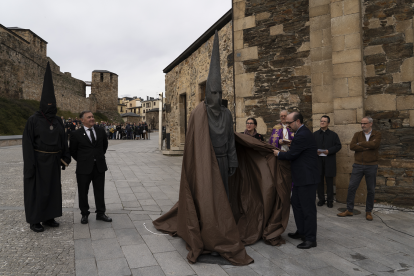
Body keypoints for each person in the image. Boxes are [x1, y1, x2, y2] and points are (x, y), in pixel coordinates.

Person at [153, 31, 253, 265]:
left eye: (220, 93)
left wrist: (233, 161)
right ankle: (206, 228)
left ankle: (222, 227)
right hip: (205, 163)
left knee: (223, 197)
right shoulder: (199, 112)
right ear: (207, 93)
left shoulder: (227, 114)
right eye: (213, 92)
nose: (217, 96)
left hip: (223, 160)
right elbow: (195, 141)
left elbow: (229, 139)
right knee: (206, 198)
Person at [22, 62, 71, 232]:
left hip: (53, 161)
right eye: (47, 104)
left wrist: (65, 156)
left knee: (52, 189)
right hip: (38, 161)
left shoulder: (57, 121)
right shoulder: (33, 120)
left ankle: (50, 217)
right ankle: (35, 220)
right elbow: (27, 143)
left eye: (53, 104)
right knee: (37, 191)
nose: (50, 107)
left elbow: (63, 139)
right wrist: (30, 164)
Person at [273, 112, 319, 249]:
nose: (287, 125)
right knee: (296, 203)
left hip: (307, 178)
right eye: (286, 123)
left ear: (298, 121)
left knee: (308, 209)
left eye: (289, 123)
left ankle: (311, 239)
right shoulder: (301, 133)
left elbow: (292, 154)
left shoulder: (303, 135)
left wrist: (278, 154)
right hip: (300, 177)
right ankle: (302, 231)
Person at [69, 110, 112, 224]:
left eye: (92, 116)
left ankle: (101, 213)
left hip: (99, 166)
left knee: (99, 191)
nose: (92, 118)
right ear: (82, 120)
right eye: (89, 117)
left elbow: (104, 146)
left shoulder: (100, 131)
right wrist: (84, 160)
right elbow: (73, 151)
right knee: (83, 192)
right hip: (84, 168)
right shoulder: (76, 134)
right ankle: (84, 214)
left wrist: (97, 157)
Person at [337, 116, 382, 221]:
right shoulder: (357, 134)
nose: (362, 125)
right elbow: (352, 146)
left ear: (371, 123)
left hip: (371, 165)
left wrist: (361, 143)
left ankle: (368, 212)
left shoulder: (377, 134)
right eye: (361, 123)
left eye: (365, 123)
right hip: (358, 165)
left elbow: (375, 145)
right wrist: (367, 146)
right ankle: (349, 209)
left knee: (370, 189)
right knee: (352, 187)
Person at [313, 115, 342, 208]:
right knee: (319, 182)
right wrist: (315, 151)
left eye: (324, 121)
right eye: (321, 121)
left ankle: (330, 200)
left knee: (329, 182)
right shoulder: (315, 134)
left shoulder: (334, 135)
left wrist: (329, 151)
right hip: (318, 161)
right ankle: (321, 199)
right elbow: (310, 146)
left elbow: (338, 146)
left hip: (329, 161)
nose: (322, 122)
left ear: (328, 123)